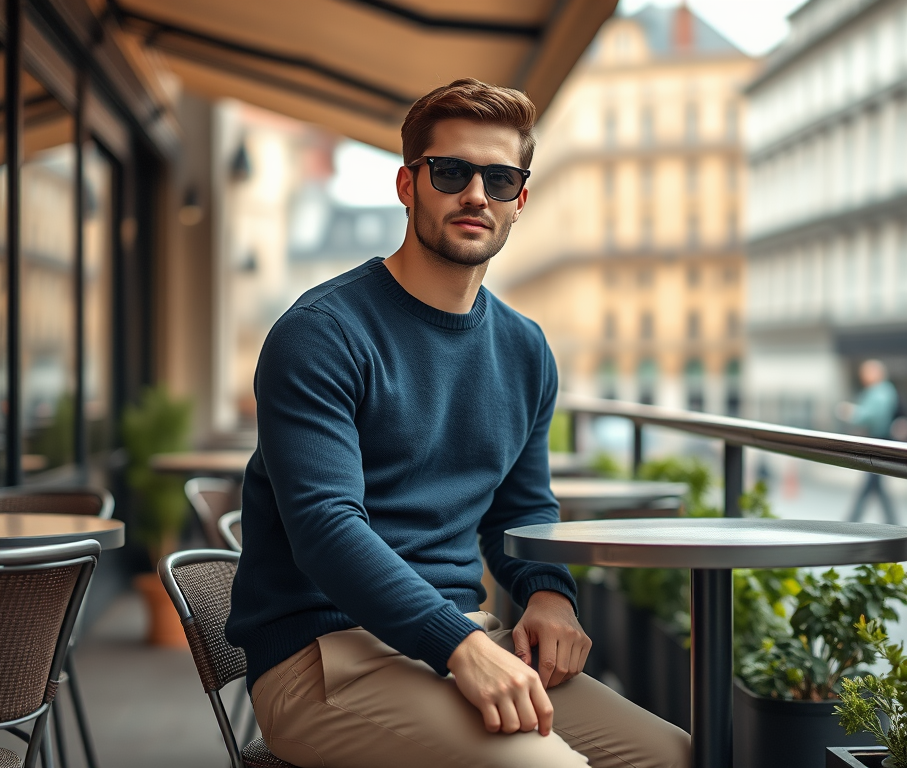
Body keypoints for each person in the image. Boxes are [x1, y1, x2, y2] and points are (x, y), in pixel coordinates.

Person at [225, 79, 690, 768]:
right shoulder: (320, 334)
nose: (477, 194)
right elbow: (326, 528)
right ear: (409, 185)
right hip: (323, 657)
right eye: (452, 172)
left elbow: (521, 508)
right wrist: (459, 645)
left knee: (672, 754)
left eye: (500, 179)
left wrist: (549, 595)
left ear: (520, 200)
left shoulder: (525, 348)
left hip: (464, 638)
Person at [836, 359, 900, 524]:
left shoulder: (880, 392)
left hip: (878, 442)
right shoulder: (882, 391)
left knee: (872, 483)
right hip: (877, 442)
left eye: (866, 373)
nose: (863, 377)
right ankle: (890, 521)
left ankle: (853, 520)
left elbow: (871, 416)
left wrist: (851, 413)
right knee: (875, 484)